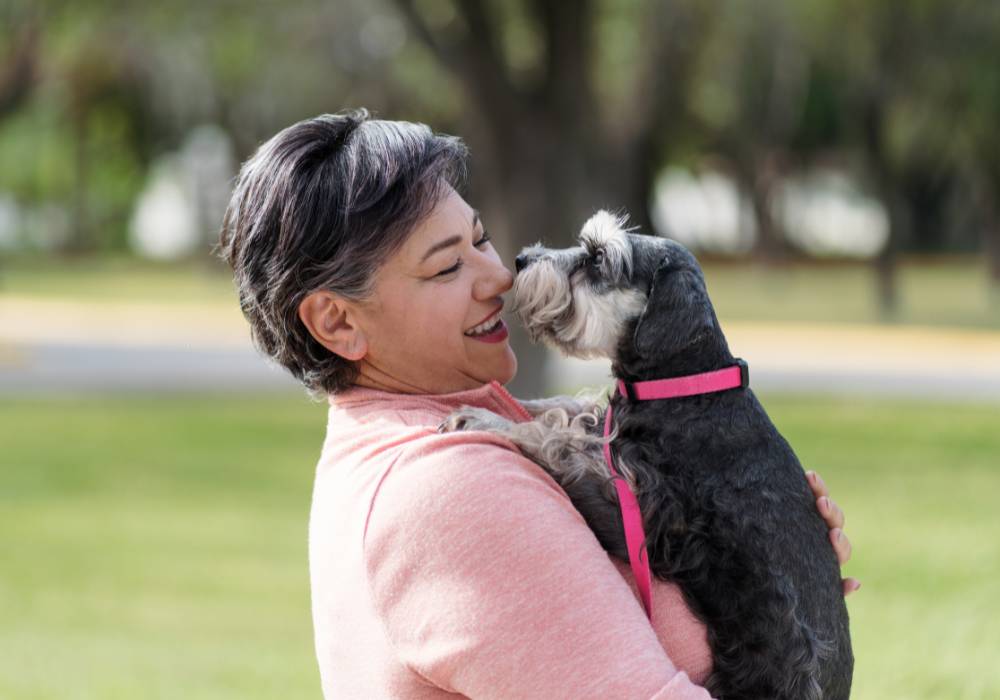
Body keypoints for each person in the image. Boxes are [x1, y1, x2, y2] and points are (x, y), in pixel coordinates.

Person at [218, 109, 858, 699]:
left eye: (481, 238)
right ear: (336, 321)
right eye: (446, 269)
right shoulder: (452, 491)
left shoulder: (407, 445)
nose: (498, 278)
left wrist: (780, 574)